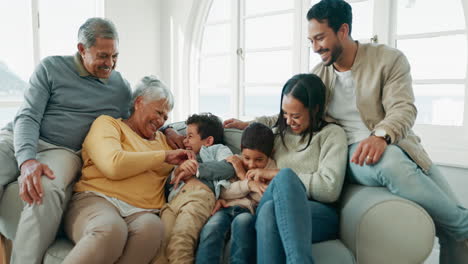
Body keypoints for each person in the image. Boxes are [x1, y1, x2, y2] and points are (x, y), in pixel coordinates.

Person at [0, 17, 132, 264]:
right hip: (21, 136)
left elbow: (137, 119)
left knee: (43, 190)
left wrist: (167, 131)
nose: (110, 64)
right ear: (82, 49)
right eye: (103, 56)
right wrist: (27, 160)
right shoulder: (51, 68)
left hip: (63, 150)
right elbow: (28, 117)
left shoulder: (120, 87)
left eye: (115, 56)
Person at [62, 76, 193, 264]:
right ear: (139, 102)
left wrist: (172, 135)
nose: (160, 120)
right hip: (97, 200)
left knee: (153, 228)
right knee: (111, 229)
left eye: (165, 117)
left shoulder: (166, 141)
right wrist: (163, 156)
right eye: (158, 112)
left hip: (142, 212)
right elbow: (113, 165)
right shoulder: (108, 125)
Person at [224, 73, 348, 263]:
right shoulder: (277, 134)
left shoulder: (332, 135)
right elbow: (264, 126)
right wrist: (247, 124)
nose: (289, 121)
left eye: (296, 116)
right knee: (268, 209)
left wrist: (275, 174)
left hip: (316, 212)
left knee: (283, 182)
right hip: (270, 204)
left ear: (315, 109)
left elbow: (329, 189)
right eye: (285, 114)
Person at [157, 113, 236, 264]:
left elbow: (228, 167)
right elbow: (168, 185)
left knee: (181, 242)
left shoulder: (217, 149)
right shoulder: (181, 156)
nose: (184, 140)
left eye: (190, 136)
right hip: (174, 201)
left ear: (208, 140)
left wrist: (196, 168)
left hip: (198, 197)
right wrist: (179, 170)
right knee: (160, 246)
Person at [196, 122, 277, 264]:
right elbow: (225, 191)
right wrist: (248, 184)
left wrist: (241, 175)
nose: (251, 164)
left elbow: (262, 196)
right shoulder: (235, 161)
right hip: (226, 207)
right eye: (247, 158)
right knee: (211, 228)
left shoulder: (271, 168)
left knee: (242, 224)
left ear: (270, 154)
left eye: (259, 160)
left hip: (248, 211)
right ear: (241, 150)